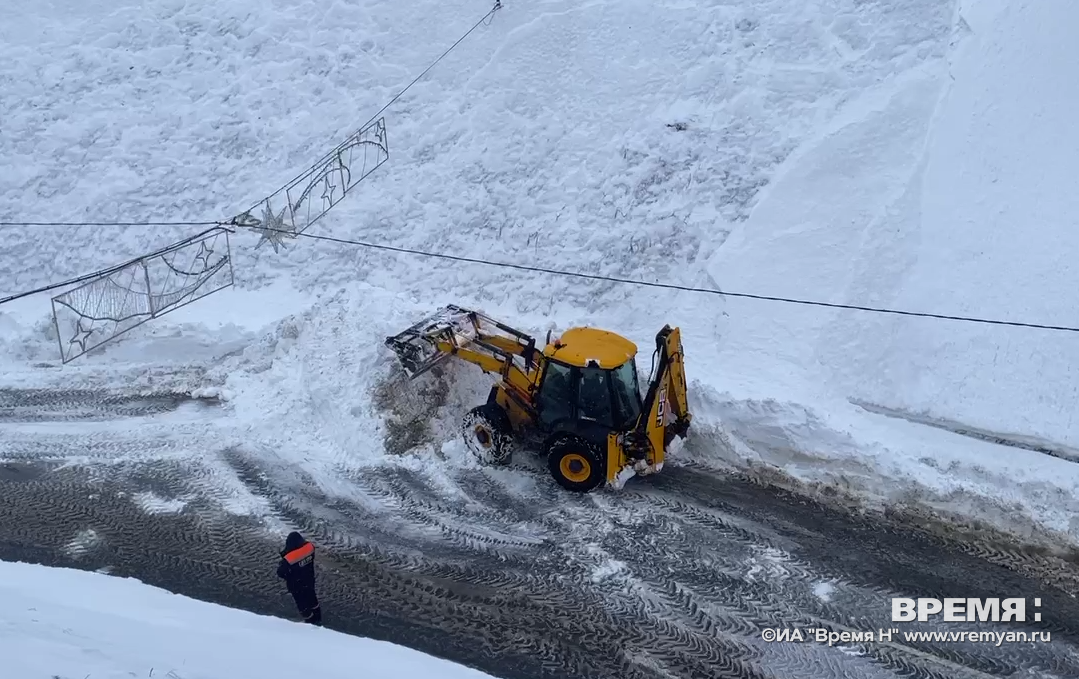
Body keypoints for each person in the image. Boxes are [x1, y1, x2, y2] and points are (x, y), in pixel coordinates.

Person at [276, 531, 322, 626]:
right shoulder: (310, 548)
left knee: (302, 605)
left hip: (296, 585)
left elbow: (280, 572)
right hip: (309, 580)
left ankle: (310, 623)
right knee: (312, 599)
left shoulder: (289, 559)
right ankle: (318, 618)